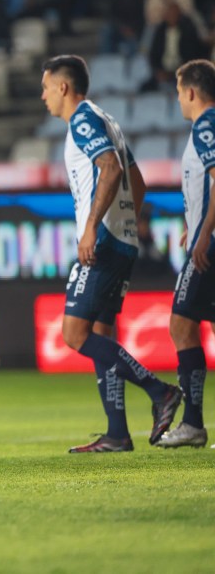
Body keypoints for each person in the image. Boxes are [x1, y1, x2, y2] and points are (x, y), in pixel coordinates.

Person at [39, 55, 181, 453]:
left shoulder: (83, 120)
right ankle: (117, 433)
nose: (43, 96)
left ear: (63, 87)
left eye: (46, 87)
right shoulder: (106, 119)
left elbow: (111, 168)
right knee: (101, 331)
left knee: (74, 334)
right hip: (121, 239)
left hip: (102, 240)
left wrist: (93, 227)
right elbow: (137, 180)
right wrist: (126, 224)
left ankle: (160, 391)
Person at [156, 59, 215, 448]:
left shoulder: (206, 125)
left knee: (181, 325)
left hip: (210, 246)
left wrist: (203, 233)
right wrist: (192, 225)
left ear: (191, 91)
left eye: (179, 92)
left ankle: (193, 423)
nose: (178, 99)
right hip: (205, 236)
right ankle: (193, 423)